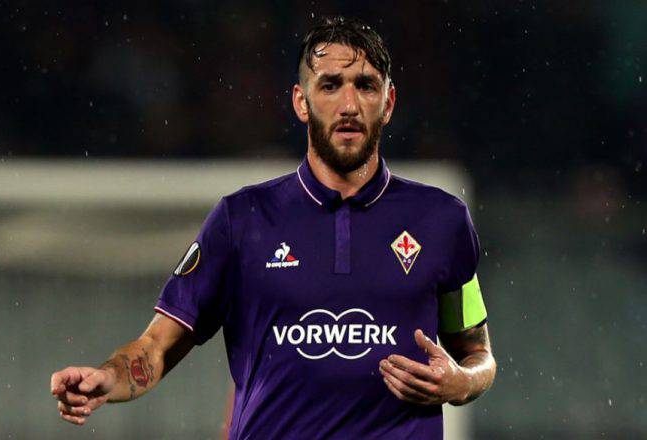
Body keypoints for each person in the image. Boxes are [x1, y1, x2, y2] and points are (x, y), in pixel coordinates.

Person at [50, 16, 496, 439]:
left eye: (365, 86)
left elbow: (478, 353)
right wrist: (108, 377)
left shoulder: (442, 221)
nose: (349, 105)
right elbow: (156, 347)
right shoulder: (242, 220)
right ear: (301, 102)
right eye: (330, 85)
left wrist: (462, 382)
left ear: (389, 102)